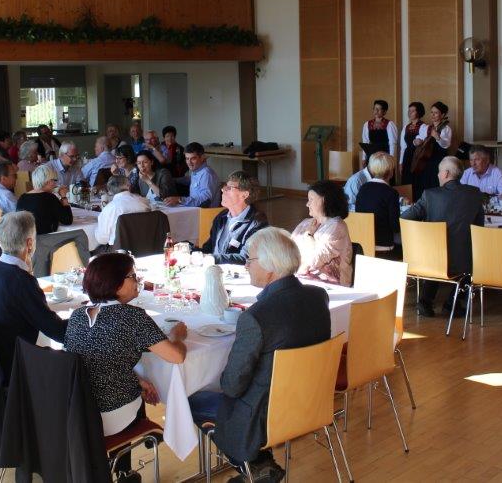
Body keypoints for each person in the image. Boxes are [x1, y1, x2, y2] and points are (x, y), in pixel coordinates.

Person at [187, 227, 331, 482]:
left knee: (192, 399)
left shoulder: (256, 317)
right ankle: (259, 466)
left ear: (270, 267)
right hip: (310, 401)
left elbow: (232, 386)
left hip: (264, 416)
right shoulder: (318, 297)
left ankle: (254, 466)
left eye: (250, 260)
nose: (246, 266)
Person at [64, 252, 187, 438]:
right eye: (132, 276)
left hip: (77, 414)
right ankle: (129, 452)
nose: (137, 280)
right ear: (115, 283)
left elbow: (92, 362)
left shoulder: (77, 315)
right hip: (110, 417)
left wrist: (138, 381)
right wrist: (177, 337)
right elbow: (177, 357)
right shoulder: (132, 316)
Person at [0, 211, 69, 375]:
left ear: (0, 241)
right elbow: (57, 331)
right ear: (30, 243)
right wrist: (85, 319)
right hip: (13, 367)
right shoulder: (22, 281)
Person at [401, 157, 485, 317]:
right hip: (464, 260)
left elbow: (406, 218)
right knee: (469, 258)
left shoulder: (430, 195)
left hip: (433, 258)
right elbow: (479, 226)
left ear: (446, 173)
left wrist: (425, 229)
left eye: (439, 172)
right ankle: (452, 303)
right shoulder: (474, 193)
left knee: (437, 254)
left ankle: (425, 301)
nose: (438, 175)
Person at [291, 179, 353, 285]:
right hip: (302, 280)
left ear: (324, 200)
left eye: (311, 199)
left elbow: (313, 261)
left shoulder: (337, 227)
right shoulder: (306, 223)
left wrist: (309, 236)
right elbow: (287, 250)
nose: (307, 204)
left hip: (329, 286)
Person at [201, 171, 269, 265]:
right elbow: (208, 248)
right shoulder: (221, 217)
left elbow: (246, 258)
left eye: (229, 188)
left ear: (244, 195)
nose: (223, 190)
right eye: (225, 186)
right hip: (214, 269)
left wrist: (211, 259)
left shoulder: (257, 223)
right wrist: (191, 251)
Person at [354, 152, 401, 257]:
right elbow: (395, 227)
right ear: (390, 172)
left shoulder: (363, 189)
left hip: (363, 247)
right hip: (384, 248)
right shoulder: (391, 193)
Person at [410, 101, 452, 201]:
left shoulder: (446, 128)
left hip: (439, 160)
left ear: (443, 115)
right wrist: (416, 141)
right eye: (432, 112)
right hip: (425, 161)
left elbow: (446, 145)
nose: (433, 115)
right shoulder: (426, 127)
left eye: (436, 113)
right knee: (425, 184)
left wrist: (438, 137)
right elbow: (418, 138)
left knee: (436, 183)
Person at [16, 164, 74, 234]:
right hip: (46, 239)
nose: (55, 184)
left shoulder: (22, 197)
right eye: (54, 180)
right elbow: (68, 220)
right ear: (48, 181)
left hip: (25, 238)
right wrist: (63, 196)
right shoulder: (50, 197)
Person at [95, 175, 151, 248]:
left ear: (109, 191)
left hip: (120, 251)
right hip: (147, 246)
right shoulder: (144, 202)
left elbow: (102, 240)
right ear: (129, 186)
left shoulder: (110, 208)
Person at [165, 142, 220, 208]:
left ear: (202, 158)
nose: (189, 162)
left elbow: (205, 200)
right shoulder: (197, 170)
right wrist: (174, 180)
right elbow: (190, 179)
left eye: (193, 158)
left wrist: (180, 200)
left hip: (204, 212)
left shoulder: (207, 174)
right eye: (187, 158)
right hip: (194, 209)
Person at [398, 102, 425, 185]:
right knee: (406, 180)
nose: (409, 113)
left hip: (418, 157)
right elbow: (403, 147)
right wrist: (400, 162)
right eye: (409, 110)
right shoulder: (405, 127)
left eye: (413, 111)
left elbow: (422, 144)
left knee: (417, 180)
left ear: (418, 112)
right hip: (407, 156)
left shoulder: (424, 126)